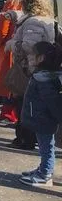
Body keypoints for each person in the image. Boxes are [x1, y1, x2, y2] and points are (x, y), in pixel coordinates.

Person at [5, 0, 56, 150]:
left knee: (25, 105)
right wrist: (13, 15)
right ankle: (28, 138)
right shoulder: (45, 19)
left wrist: (12, 44)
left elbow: (29, 46)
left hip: (29, 68)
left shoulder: (33, 22)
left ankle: (25, 139)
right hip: (40, 68)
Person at [18, 41, 62, 187]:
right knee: (45, 147)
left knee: (47, 147)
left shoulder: (46, 80)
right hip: (40, 118)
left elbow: (54, 103)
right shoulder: (41, 75)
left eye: (32, 54)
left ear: (41, 58)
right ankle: (43, 168)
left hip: (44, 119)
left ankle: (45, 174)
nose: (30, 57)